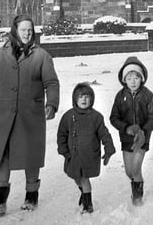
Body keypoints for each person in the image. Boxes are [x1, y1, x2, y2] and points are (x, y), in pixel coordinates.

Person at [0, 14, 60, 216]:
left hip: (30, 115)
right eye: (23, 30)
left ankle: (31, 197)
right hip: (4, 115)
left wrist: (52, 104)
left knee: (31, 156)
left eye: (30, 30)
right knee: (2, 157)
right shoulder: (0, 55)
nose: (27, 33)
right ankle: (0, 201)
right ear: (15, 30)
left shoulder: (41, 55)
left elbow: (51, 83)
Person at [57, 83, 116, 213]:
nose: (84, 99)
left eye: (87, 96)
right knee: (75, 177)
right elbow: (62, 133)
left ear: (92, 99)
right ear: (75, 99)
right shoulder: (68, 116)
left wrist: (109, 149)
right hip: (73, 155)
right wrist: (63, 150)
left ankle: (88, 205)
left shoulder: (96, 117)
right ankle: (84, 194)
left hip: (89, 155)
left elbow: (104, 134)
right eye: (80, 97)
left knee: (84, 179)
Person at [110, 56, 153, 206]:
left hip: (142, 139)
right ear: (124, 79)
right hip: (126, 139)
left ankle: (137, 198)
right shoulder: (120, 96)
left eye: (136, 77)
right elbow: (114, 117)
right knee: (129, 172)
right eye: (129, 78)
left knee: (136, 169)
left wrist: (143, 131)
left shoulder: (148, 95)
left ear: (142, 79)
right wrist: (126, 128)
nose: (133, 81)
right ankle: (137, 184)